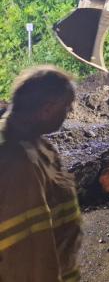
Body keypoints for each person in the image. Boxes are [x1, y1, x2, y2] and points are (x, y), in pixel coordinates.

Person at [0, 65, 82, 282]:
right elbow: (28, 252)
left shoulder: (38, 145)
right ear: (47, 109)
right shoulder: (18, 162)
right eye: (67, 106)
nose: (69, 113)